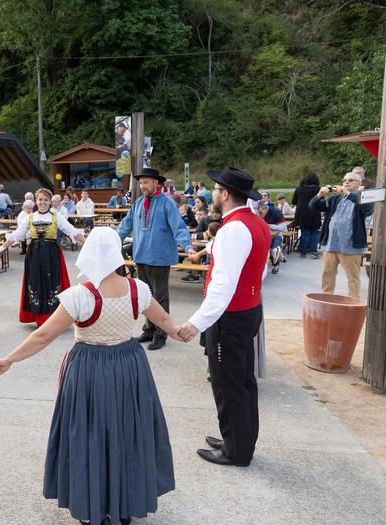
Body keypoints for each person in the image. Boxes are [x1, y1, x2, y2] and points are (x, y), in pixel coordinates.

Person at [0, 228, 176, 525]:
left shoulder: (81, 295)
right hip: (130, 364)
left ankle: (95, 510)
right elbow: (164, 320)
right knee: (128, 430)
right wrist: (181, 331)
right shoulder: (138, 289)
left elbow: (42, 336)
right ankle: (127, 504)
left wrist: (8, 359)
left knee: (90, 434)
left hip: (89, 367)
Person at [176, 167, 270, 468]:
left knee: (228, 385)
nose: (213, 193)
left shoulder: (233, 229)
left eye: (216, 189)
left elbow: (222, 285)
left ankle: (236, 450)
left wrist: (195, 323)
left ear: (225, 194)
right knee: (243, 381)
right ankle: (240, 439)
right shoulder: (256, 222)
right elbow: (260, 271)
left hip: (231, 316)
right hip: (249, 309)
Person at [118, 168, 193, 350]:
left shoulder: (167, 203)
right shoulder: (138, 203)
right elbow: (125, 225)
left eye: (145, 182)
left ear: (156, 183)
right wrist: (110, 241)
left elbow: (178, 227)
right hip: (141, 256)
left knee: (160, 297)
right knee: (146, 297)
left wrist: (188, 247)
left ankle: (161, 334)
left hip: (160, 258)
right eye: (140, 183)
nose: (142, 186)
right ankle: (149, 330)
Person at [0, 188, 86, 326]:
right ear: (36, 201)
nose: (43, 202)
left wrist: (87, 243)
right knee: (35, 282)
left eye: (46, 200)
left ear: (50, 201)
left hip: (52, 254)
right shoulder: (30, 217)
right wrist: (0, 248)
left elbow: (72, 231)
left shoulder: (56, 216)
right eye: (40, 199)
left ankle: (52, 317)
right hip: (34, 254)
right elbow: (16, 235)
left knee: (52, 282)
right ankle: (39, 317)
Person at [309, 172, 373, 299]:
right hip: (331, 245)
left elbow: (368, 208)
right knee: (327, 275)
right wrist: (320, 194)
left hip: (351, 246)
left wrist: (347, 193)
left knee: (353, 278)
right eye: (344, 180)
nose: (346, 182)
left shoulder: (363, 197)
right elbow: (312, 206)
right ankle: (327, 299)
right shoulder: (336, 199)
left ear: (359, 184)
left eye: (350, 180)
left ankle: (353, 303)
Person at [292, 171, 322, 258]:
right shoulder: (318, 189)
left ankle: (303, 252)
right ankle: (314, 252)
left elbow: (294, 201)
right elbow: (322, 201)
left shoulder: (299, 189)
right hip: (315, 213)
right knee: (315, 232)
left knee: (304, 232)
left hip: (302, 214)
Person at [257, 201, 287, 274]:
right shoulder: (258, 213)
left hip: (276, 235)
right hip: (263, 236)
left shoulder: (276, 212)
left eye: (260, 213)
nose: (259, 215)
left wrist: (269, 226)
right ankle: (279, 256)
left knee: (274, 249)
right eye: (258, 213)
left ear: (265, 209)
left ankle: (275, 266)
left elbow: (284, 228)